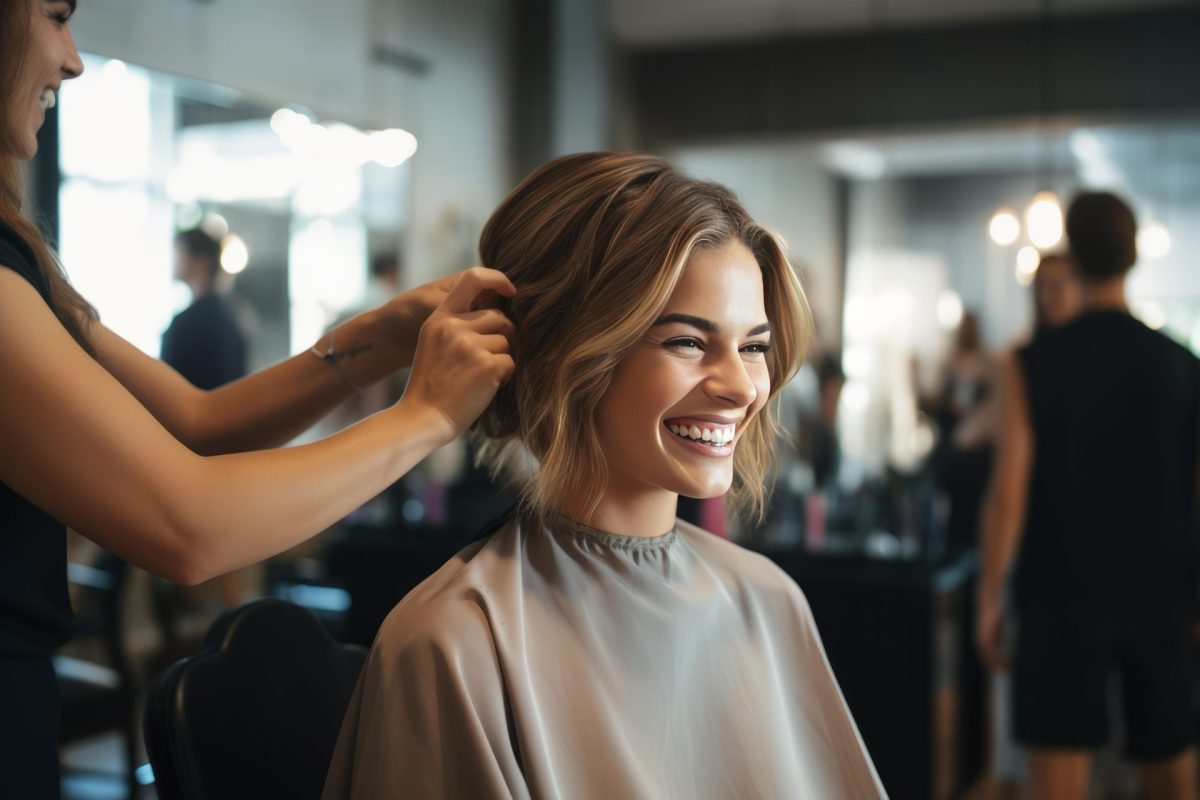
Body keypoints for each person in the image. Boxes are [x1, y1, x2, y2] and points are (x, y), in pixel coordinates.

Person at [0, 2, 515, 795]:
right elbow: (189, 525)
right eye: (57, 17)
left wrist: (380, 335)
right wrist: (426, 418)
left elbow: (201, 423)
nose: (72, 59)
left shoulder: (22, 267)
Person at [321, 152, 885, 799]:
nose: (741, 387)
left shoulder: (769, 603)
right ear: (574, 355)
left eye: (753, 346)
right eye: (687, 342)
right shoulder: (455, 644)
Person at [977, 192, 1199, 800]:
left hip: (1060, 594)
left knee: (1058, 780)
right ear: (1131, 257)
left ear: (1073, 256)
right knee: (1173, 769)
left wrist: (990, 594)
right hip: (1164, 592)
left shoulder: (1033, 362)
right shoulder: (1182, 365)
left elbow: (1008, 494)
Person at [161, 227, 248, 391]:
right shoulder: (232, 319)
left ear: (201, 262)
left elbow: (165, 388)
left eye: (178, 254)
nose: (173, 261)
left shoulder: (187, 324)